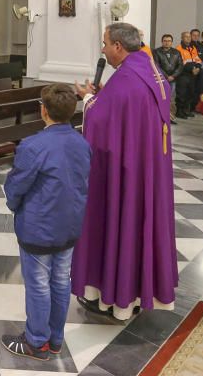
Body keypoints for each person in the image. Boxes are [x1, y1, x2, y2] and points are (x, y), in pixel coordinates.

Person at [71, 22, 177, 321]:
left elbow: (103, 120)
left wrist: (89, 99)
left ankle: (115, 297)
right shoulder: (150, 71)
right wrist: (106, 95)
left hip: (126, 169)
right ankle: (137, 291)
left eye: (105, 43)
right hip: (148, 166)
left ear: (119, 46)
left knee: (121, 219)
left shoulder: (128, 78)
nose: (103, 49)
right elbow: (131, 110)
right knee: (141, 222)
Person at [1, 83, 91, 360]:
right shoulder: (82, 142)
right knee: (61, 280)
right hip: (70, 223)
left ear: (44, 111)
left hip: (40, 226)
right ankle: (55, 339)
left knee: (39, 283)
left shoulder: (33, 145)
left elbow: (16, 186)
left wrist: (14, 206)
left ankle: (36, 342)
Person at [153, 34, 182, 123]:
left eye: (169, 41)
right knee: (161, 97)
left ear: (171, 42)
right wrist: (166, 76)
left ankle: (171, 118)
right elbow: (156, 65)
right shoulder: (156, 52)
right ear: (162, 42)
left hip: (173, 79)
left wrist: (173, 76)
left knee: (171, 98)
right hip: (161, 79)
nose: (167, 43)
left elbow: (180, 65)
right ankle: (160, 117)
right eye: (165, 41)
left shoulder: (176, 52)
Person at [175, 31, 202, 118]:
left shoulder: (193, 48)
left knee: (190, 93)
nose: (188, 38)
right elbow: (181, 62)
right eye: (186, 37)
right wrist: (192, 69)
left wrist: (198, 68)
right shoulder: (178, 48)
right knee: (182, 94)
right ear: (182, 38)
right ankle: (179, 112)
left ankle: (187, 111)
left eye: (189, 37)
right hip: (183, 74)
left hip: (193, 74)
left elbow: (197, 59)